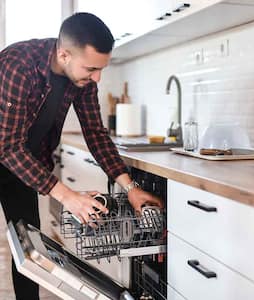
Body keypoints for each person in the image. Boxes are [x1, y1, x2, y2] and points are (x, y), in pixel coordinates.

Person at [0, 12, 162, 300]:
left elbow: (95, 134)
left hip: (24, 166)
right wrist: (68, 196)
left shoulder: (82, 80)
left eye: (101, 69)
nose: (97, 77)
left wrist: (131, 188)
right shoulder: (18, 65)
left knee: (28, 248)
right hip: (9, 149)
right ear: (64, 55)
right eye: (91, 69)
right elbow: (8, 146)